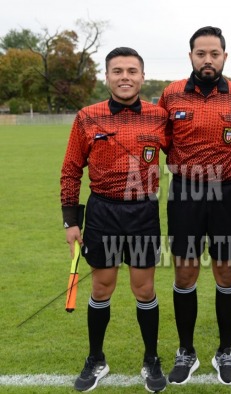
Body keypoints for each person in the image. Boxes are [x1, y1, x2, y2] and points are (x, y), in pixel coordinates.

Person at [60, 47, 169, 393]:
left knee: (144, 289)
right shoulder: (87, 117)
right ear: (106, 76)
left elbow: (185, 155)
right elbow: (71, 169)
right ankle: (96, 358)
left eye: (132, 71)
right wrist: (70, 219)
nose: (125, 77)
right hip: (102, 212)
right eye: (118, 71)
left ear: (142, 76)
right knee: (101, 287)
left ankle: (151, 358)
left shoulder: (158, 116)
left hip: (143, 212)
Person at [157, 26, 231, 385]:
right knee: (184, 272)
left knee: (226, 271)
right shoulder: (170, 95)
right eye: (201, 53)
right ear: (191, 57)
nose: (208, 59)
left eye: (215, 53)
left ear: (225, 57)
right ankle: (186, 351)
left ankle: (225, 350)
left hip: (228, 193)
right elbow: (160, 140)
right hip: (185, 193)